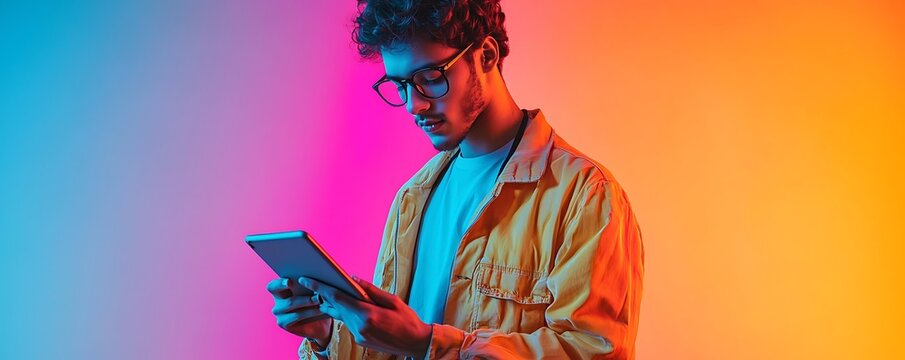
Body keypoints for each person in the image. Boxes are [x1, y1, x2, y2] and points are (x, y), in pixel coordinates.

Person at [266, 1, 645, 358]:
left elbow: (593, 351)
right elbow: (392, 350)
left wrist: (429, 343)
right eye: (400, 86)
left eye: (430, 78)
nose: (415, 104)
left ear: (486, 56)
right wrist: (328, 333)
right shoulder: (413, 197)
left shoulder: (585, 196)